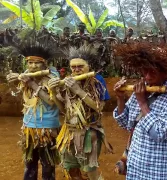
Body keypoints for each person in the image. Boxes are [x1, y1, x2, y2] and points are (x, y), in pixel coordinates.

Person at [113, 41, 167, 179]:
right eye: (144, 71)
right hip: (134, 165)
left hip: (157, 170)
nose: (147, 77)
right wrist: (120, 98)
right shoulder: (141, 88)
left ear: (166, 72)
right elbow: (125, 124)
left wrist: (142, 102)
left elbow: (159, 133)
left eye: (153, 72)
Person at [48, 45, 112, 180]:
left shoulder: (97, 80)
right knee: (72, 169)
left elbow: (99, 107)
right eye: (73, 67)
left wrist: (78, 90)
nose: (76, 70)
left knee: (90, 171)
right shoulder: (67, 81)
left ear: (89, 66)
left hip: (89, 133)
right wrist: (53, 92)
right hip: (69, 133)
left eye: (80, 66)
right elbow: (63, 110)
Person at [6, 40, 63, 180]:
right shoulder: (26, 74)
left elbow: (51, 102)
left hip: (47, 129)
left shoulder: (53, 78)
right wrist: (14, 80)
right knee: (29, 165)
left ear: (44, 63)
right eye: (30, 63)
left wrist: (32, 84)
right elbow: (21, 95)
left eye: (37, 63)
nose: (33, 66)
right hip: (29, 128)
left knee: (47, 167)